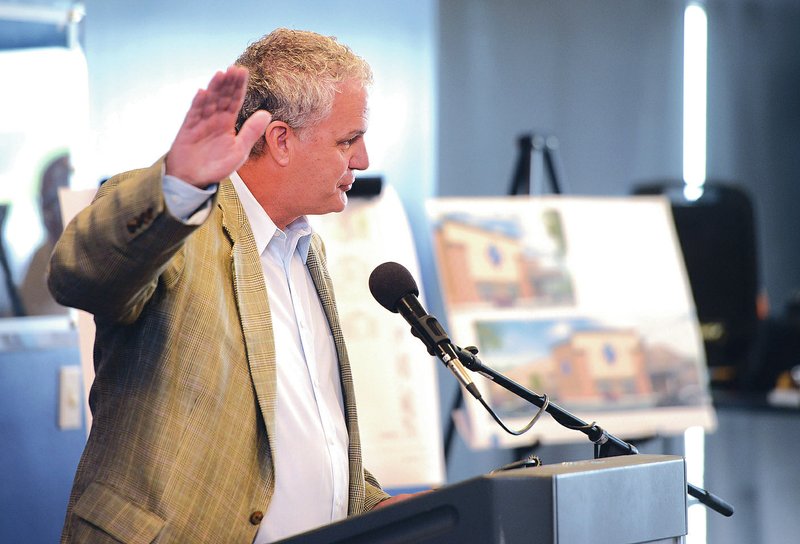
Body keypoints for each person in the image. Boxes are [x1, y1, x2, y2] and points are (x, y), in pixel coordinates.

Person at [48, 28, 410, 543]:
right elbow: (82, 274)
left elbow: (301, 430)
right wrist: (175, 189)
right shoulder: (178, 222)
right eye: (347, 140)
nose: (363, 160)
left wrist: (380, 505)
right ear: (281, 140)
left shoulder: (305, 249)